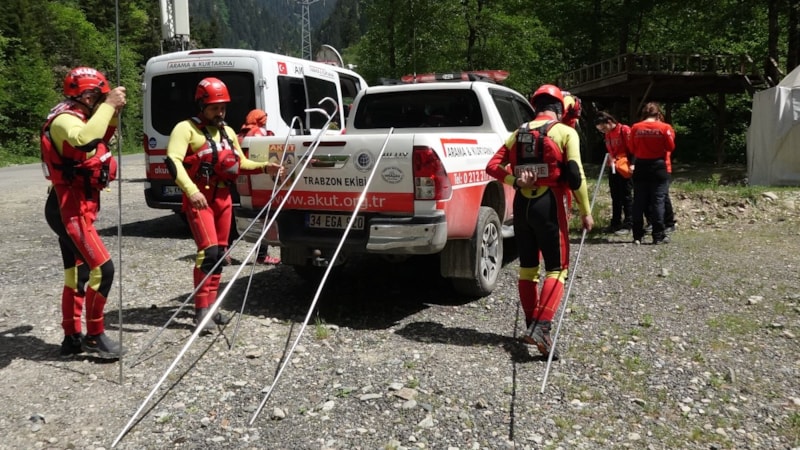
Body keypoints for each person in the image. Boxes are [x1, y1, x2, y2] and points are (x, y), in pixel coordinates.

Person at [166, 78, 284, 333]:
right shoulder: (185, 129)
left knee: (220, 255)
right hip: (200, 199)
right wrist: (192, 191)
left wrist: (265, 166)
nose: (219, 112)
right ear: (201, 105)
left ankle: (212, 306)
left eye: (222, 107)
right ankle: (200, 311)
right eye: (213, 108)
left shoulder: (228, 133)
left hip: (223, 199)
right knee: (207, 254)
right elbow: (173, 162)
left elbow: (239, 163)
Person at [486, 84, 593, 358]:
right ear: (560, 108)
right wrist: (585, 211)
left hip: (522, 204)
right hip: (550, 204)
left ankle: (532, 326)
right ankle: (543, 327)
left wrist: (514, 180)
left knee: (528, 269)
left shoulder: (517, 133)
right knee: (557, 268)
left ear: (536, 106)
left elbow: (492, 166)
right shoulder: (565, 132)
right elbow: (576, 174)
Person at [42, 66, 126, 358]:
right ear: (87, 95)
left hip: (76, 205)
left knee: (75, 274)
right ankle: (94, 335)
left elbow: (103, 132)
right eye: (98, 97)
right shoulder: (65, 120)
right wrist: (110, 105)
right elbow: (85, 140)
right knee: (103, 269)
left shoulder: (82, 116)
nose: (100, 102)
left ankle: (70, 338)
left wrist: (113, 111)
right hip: (68, 208)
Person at [237, 109, 280, 265]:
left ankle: (224, 253)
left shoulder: (241, 133)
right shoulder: (259, 133)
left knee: (232, 219)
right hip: (259, 178)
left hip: (241, 181)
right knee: (264, 218)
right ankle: (262, 255)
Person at [629, 102, 675, 245]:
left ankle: (637, 235)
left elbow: (631, 148)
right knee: (658, 201)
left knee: (639, 201)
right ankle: (658, 235)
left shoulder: (636, 128)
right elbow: (670, 146)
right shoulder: (664, 127)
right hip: (658, 166)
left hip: (641, 165)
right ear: (658, 113)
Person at [594, 111, 634, 234]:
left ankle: (629, 223)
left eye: (604, 128)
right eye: (601, 130)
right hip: (613, 167)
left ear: (610, 122)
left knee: (626, 195)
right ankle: (615, 222)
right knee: (615, 196)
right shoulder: (608, 135)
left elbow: (633, 149)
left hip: (625, 166)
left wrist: (633, 164)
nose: (603, 131)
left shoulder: (624, 130)